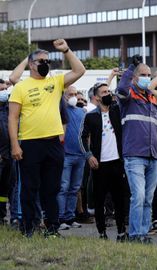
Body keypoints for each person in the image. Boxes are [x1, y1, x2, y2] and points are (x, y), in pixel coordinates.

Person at [8, 40, 86, 238]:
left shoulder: (55, 82)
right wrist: (15, 145)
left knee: (52, 189)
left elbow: (79, 70)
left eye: (47, 61)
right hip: (30, 144)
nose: (45, 64)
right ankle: (28, 228)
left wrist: (67, 51)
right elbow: (13, 117)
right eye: (41, 61)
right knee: (29, 188)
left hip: (53, 144)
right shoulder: (21, 87)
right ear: (31, 64)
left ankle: (52, 228)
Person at [116, 58, 157, 243]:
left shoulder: (153, 99)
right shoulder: (128, 97)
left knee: (148, 198)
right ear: (134, 78)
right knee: (138, 196)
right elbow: (121, 89)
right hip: (135, 154)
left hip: (153, 155)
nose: (146, 78)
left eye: (148, 75)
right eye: (142, 75)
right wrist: (130, 68)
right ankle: (135, 234)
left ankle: (143, 234)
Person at [80, 82, 129, 241]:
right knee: (99, 200)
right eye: (104, 92)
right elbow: (81, 137)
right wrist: (89, 156)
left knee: (119, 200)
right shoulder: (90, 116)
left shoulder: (117, 111)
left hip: (117, 163)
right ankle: (102, 232)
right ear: (96, 97)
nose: (108, 94)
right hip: (99, 165)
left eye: (109, 91)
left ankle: (122, 233)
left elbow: (122, 94)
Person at [57, 85, 86, 230]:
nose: (73, 97)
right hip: (65, 155)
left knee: (74, 188)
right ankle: (60, 217)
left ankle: (70, 217)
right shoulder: (60, 111)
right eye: (70, 94)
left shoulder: (82, 112)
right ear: (64, 96)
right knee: (63, 187)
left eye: (75, 93)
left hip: (80, 155)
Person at [0, 79, 11, 223]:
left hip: (9, 156)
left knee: (4, 190)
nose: (3, 92)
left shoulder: (10, 109)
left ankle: (1, 216)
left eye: (4, 89)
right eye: (1, 90)